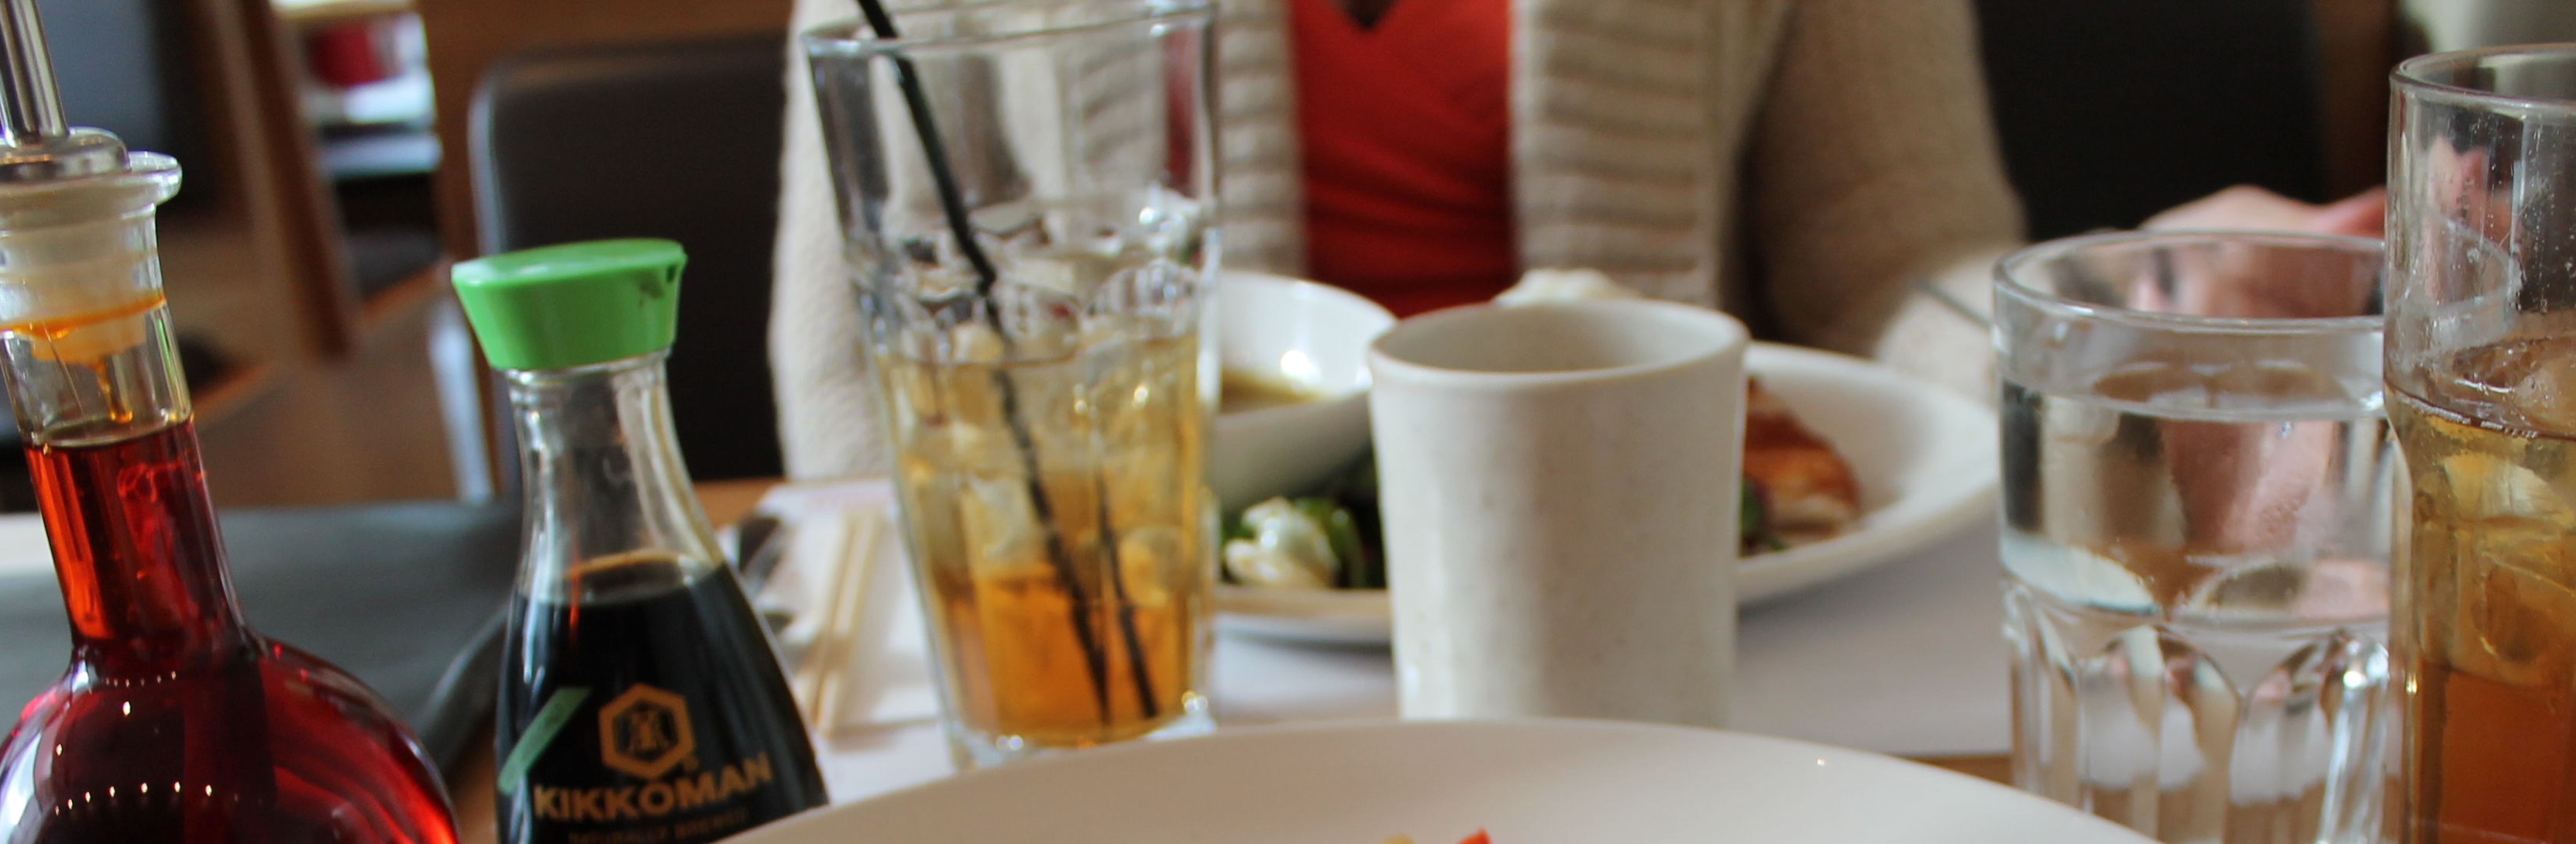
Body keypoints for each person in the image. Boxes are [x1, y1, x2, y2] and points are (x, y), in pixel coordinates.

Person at [769, 0, 2377, 479]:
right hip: (1168, 645)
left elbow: (1898, 264)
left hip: (1657, 584)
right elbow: (848, 383)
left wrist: (2121, 315)